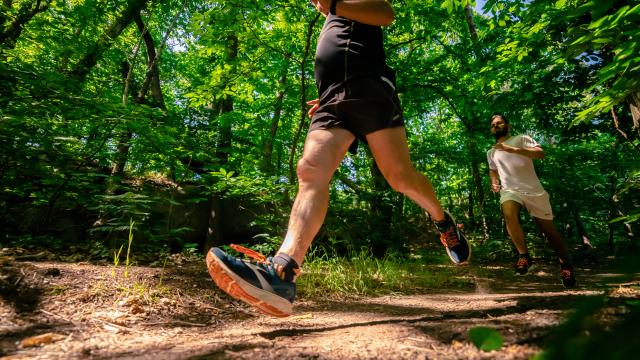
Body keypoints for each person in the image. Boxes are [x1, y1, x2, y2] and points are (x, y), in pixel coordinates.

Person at [205, 0, 470, 317]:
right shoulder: (334, 12)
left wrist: (334, 4)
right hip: (332, 98)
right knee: (310, 170)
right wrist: (331, 86)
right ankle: (282, 273)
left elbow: (386, 14)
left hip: (369, 86)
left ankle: (443, 221)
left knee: (399, 177)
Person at [487, 113, 576, 288]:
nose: (496, 126)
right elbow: (492, 169)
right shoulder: (491, 152)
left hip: (534, 192)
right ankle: (524, 256)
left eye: (499, 123)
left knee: (549, 231)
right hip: (510, 190)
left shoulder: (521, 139)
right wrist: (494, 182)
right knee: (509, 214)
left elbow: (540, 154)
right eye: (493, 124)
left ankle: (565, 264)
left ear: (508, 126)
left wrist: (513, 150)